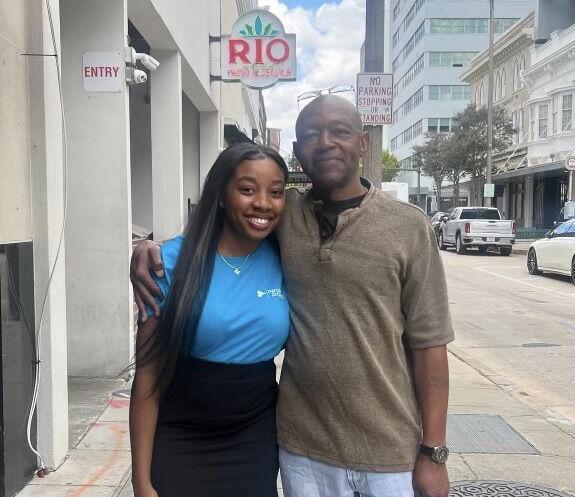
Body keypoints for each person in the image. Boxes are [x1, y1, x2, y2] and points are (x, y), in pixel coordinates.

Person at [132, 95, 454, 497]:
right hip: (302, 449)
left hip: (389, 452)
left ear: (363, 144)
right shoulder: (284, 218)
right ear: (299, 151)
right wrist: (148, 251)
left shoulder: (408, 227)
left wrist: (434, 451)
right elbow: (225, 226)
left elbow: (430, 345)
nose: (326, 142)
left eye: (340, 131)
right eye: (311, 134)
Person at [129, 143, 290, 497]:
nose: (263, 203)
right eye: (247, 189)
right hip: (181, 431)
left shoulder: (288, 256)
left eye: (276, 192)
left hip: (255, 432)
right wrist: (142, 483)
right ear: (220, 194)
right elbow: (147, 377)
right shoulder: (168, 263)